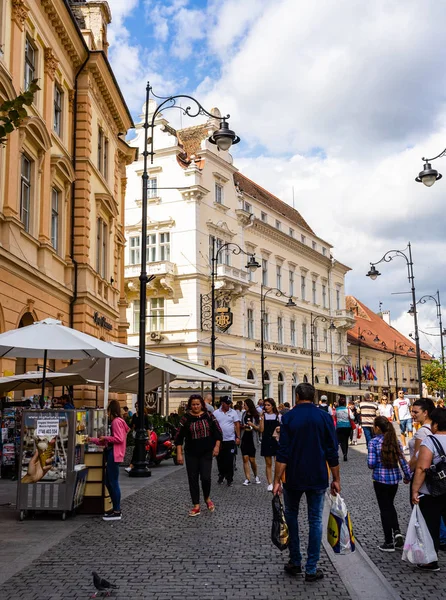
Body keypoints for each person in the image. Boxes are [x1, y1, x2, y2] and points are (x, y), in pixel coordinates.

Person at [274, 382, 340, 583]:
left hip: (293, 476)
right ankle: (311, 568)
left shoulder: (288, 417)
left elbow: (283, 452)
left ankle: (295, 561)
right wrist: (336, 478)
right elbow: (332, 450)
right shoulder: (325, 417)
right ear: (313, 396)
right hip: (318, 475)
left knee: (291, 516)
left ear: (296, 396)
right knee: (315, 520)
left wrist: (277, 479)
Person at [367, 416, 411, 552]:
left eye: (374, 426)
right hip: (394, 481)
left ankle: (388, 542)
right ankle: (397, 531)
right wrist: (407, 475)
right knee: (390, 505)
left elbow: (371, 464)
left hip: (380, 480)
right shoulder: (395, 441)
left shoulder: (373, 442)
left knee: (385, 509)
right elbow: (403, 460)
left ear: (378, 428)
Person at [175, 394, 222, 517]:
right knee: (193, 478)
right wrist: (179, 454)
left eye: (198, 404)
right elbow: (179, 438)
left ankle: (207, 497)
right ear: (190, 405)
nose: (195, 406)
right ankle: (196, 505)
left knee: (206, 477)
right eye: (193, 404)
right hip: (191, 453)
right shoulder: (185, 419)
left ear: (202, 405)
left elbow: (218, 432)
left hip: (206, 452)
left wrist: (217, 447)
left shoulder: (209, 416)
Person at [412, 407, 446, 570]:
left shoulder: (430, 441)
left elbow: (421, 469)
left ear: (436, 425)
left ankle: (431, 561)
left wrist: (414, 490)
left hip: (433, 492)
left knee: (431, 525)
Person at [88, 400, 129, 521]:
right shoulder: (119, 422)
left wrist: (104, 437)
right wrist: (93, 440)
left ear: (111, 410)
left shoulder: (116, 422)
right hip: (115, 453)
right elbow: (113, 439)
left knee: (112, 482)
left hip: (114, 454)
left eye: (108, 410)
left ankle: (117, 510)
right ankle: (115, 508)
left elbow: (118, 439)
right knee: (109, 481)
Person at [213, 396, 240, 486]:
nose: (229, 405)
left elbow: (236, 424)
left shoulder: (233, 412)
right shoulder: (216, 413)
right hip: (219, 441)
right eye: (227, 403)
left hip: (230, 439)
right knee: (220, 459)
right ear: (222, 403)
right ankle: (221, 475)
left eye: (229, 403)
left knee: (229, 459)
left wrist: (238, 437)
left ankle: (229, 478)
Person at [259, 398, 281, 491]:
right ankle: (270, 483)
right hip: (266, 440)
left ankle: (277, 481)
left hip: (275, 440)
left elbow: (282, 427)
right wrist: (261, 418)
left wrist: (280, 428)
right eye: (265, 405)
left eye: (268, 405)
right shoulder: (263, 416)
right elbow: (261, 430)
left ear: (272, 406)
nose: (266, 407)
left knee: (278, 463)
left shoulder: (278, 416)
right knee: (268, 463)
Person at [408, 398, 434, 474]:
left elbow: (417, 458)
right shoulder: (434, 426)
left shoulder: (422, 431)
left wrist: (408, 472)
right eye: (412, 411)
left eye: (415, 412)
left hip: (421, 472)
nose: (412, 414)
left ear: (425, 412)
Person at [240, 398, 261, 486]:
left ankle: (256, 475)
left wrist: (252, 425)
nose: (243, 406)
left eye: (245, 405)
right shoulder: (243, 414)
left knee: (252, 460)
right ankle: (247, 478)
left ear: (249, 405)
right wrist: (243, 426)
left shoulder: (256, 415)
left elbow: (259, 428)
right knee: (245, 459)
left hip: (252, 438)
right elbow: (241, 425)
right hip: (244, 437)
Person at [335, 396, 353, 461]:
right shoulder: (348, 409)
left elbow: (334, 416)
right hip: (347, 426)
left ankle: (344, 453)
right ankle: (346, 453)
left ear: (339, 403)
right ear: (345, 403)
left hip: (340, 426)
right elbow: (352, 417)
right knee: (346, 440)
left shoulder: (336, 410)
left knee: (342, 441)